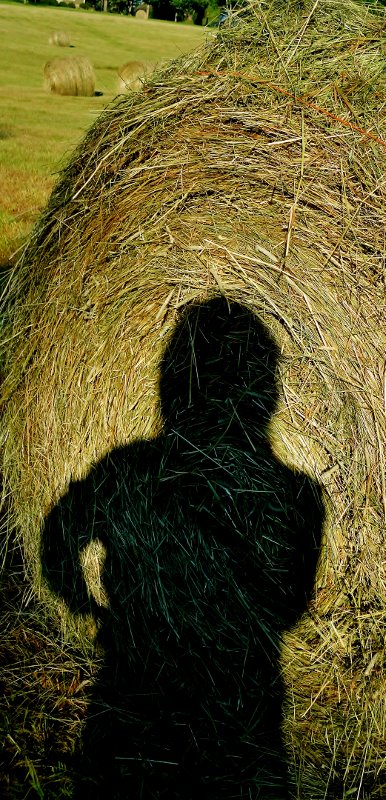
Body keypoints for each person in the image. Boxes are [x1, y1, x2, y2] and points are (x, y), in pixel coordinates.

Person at [41, 297, 324, 799]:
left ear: (175, 380)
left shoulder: (128, 468)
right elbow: (289, 609)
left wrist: (90, 608)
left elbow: (61, 535)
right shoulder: (298, 496)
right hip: (242, 720)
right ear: (266, 390)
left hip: (137, 708)